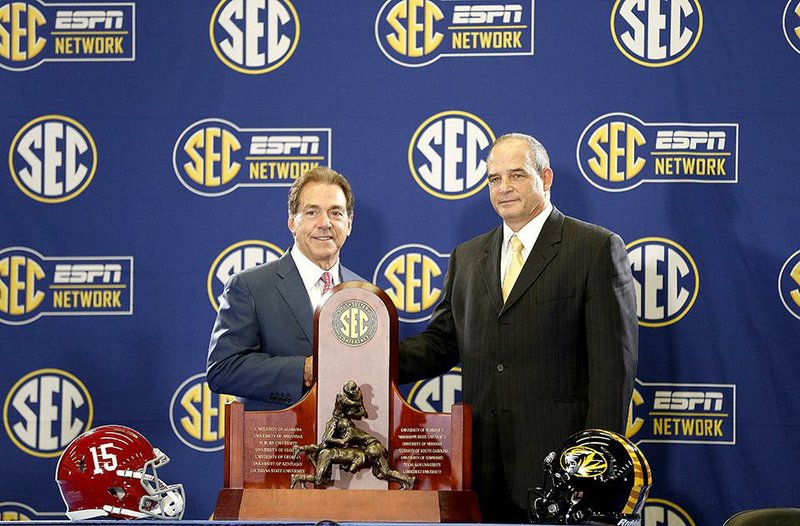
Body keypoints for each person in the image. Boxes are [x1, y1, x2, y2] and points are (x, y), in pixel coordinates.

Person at [399, 133, 638, 522]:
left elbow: (614, 371)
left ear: (545, 178)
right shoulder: (468, 255)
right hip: (482, 471)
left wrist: (593, 467)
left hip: (562, 471)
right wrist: (366, 361)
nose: (504, 188)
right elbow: (441, 344)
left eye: (517, 175)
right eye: (494, 179)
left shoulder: (594, 248)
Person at [207, 166, 363, 410]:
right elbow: (223, 370)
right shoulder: (250, 286)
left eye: (336, 213)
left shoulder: (364, 293)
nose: (325, 223)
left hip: (349, 441)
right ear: (292, 222)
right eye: (312, 212)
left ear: (349, 223)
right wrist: (303, 370)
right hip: (278, 441)